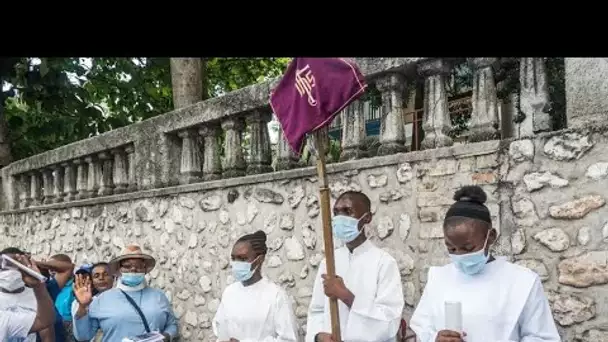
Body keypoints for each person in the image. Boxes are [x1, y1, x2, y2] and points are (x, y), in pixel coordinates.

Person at [409, 185, 561, 342]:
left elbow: (542, 337)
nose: (460, 255)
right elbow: (420, 330)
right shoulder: (438, 279)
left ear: (491, 237)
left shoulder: (522, 282)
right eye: (452, 248)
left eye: (468, 248)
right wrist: (435, 338)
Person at [305, 191, 405, 342]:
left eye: (347, 211)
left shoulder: (384, 263)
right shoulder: (329, 262)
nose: (340, 218)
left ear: (366, 218)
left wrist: (346, 296)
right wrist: (318, 336)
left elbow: (390, 321)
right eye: (336, 212)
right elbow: (317, 311)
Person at [71, 244, 178, 342]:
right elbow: (83, 336)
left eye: (139, 266)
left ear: (145, 269)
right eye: (127, 266)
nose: (133, 269)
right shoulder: (101, 300)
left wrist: (164, 338)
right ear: (119, 269)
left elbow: (172, 325)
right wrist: (82, 306)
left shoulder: (159, 297)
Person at [213, 230, 299, 342]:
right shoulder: (229, 292)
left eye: (243, 258)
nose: (236, 263)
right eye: (234, 258)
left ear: (260, 259)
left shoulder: (275, 295)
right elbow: (219, 328)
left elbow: (289, 339)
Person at [0, 253, 56, 341]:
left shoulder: (3, 319)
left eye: (14, 267)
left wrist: (39, 286)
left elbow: (45, 322)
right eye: (3, 268)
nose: (9, 272)